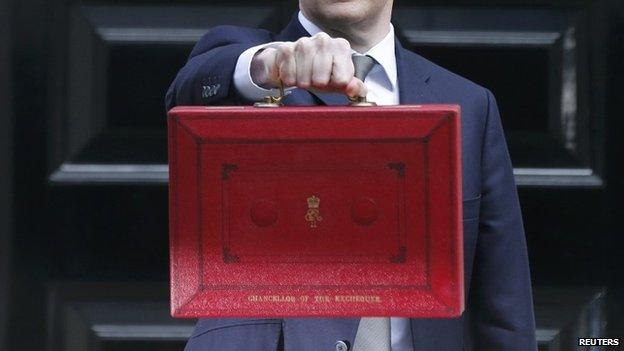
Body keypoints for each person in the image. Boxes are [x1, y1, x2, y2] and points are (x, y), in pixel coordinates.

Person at [166, 0, 538, 350]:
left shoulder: (469, 102)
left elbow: (504, 303)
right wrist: (272, 65)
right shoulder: (254, 63)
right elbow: (193, 88)